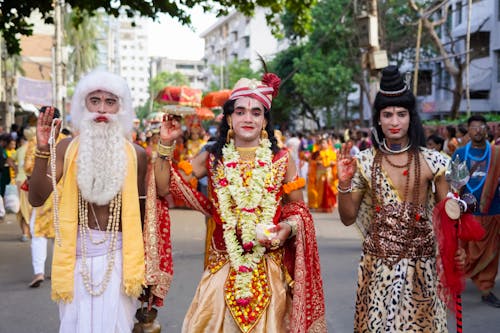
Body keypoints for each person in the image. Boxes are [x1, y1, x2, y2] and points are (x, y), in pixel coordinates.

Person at [155, 72, 326, 332]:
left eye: (256, 113)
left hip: (269, 270)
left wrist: (287, 229)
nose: (248, 118)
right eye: (241, 111)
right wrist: (166, 144)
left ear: (265, 120)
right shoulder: (212, 157)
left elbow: (298, 211)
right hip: (222, 267)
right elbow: (164, 185)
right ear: (229, 118)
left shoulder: (281, 159)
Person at [28, 71, 172, 332]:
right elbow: (37, 198)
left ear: (121, 108)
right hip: (76, 259)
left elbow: (145, 216)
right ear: (83, 105)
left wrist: (149, 270)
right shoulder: (66, 149)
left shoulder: (137, 155)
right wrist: (42, 148)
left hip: (120, 261)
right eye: (94, 101)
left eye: (110, 102)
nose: (101, 110)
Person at [336, 65, 465, 332]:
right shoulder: (364, 162)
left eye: (401, 114)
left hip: (423, 269)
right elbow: (348, 218)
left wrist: (458, 249)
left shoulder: (435, 162)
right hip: (377, 268)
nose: (395, 122)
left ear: (410, 118)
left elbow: (448, 221)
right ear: (379, 120)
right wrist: (344, 182)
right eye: (388, 114)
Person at [452, 115, 500, 308]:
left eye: (481, 126)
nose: (478, 130)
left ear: (486, 129)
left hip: (492, 211)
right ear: (468, 131)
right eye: (474, 127)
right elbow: (453, 183)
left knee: (491, 255)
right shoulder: (461, 153)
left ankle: (486, 290)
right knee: (463, 253)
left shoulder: (496, 153)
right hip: (467, 213)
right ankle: (453, 283)